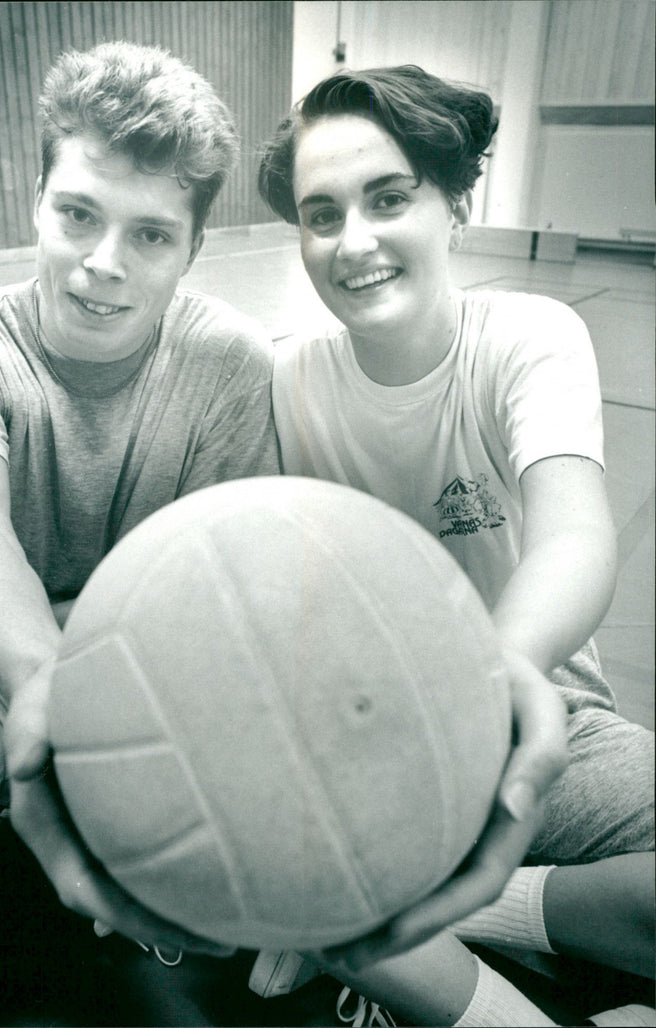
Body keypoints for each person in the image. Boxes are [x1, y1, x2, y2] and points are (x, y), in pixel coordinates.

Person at [0, 38, 279, 1025]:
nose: (102, 264)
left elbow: (204, 597)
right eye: (78, 215)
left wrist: (25, 633)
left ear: (191, 246)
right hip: (18, 672)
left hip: (146, 685)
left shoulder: (231, 364)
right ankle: (28, 850)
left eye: (148, 235)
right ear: (36, 198)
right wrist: (38, 677)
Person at [253, 64, 655, 1027]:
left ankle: (459, 916)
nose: (356, 241)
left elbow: (572, 533)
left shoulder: (526, 337)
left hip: (530, 712)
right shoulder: (281, 380)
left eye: (389, 199)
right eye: (322, 214)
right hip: (365, 746)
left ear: (454, 207)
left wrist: (499, 672)